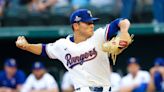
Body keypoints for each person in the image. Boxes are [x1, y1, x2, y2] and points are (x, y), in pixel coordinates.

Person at [16, 9, 131, 92]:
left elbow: (121, 21)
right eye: (88, 23)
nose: (92, 25)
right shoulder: (62, 45)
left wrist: (124, 31)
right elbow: (44, 49)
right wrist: (27, 46)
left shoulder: (99, 35)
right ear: (76, 26)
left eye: (92, 22)